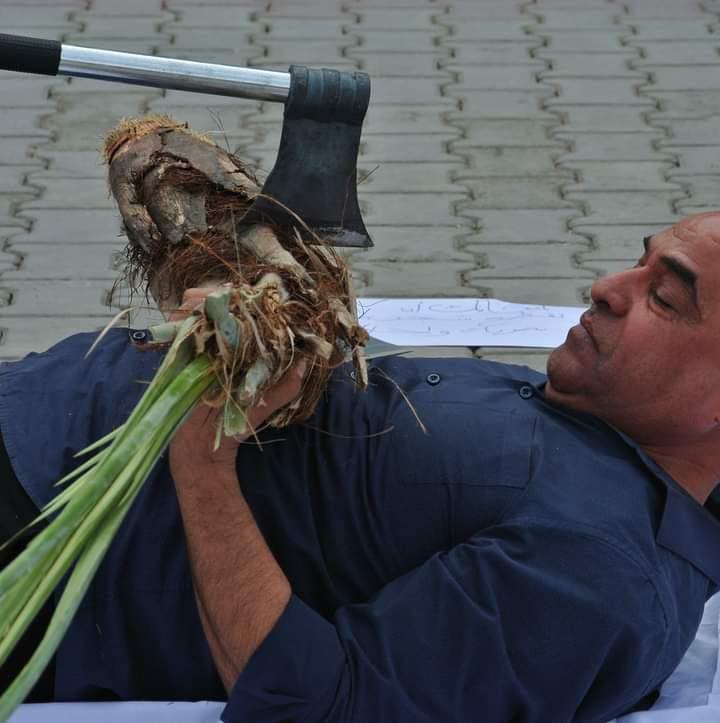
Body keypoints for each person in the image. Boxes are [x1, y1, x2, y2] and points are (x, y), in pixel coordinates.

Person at [2, 211, 720, 722]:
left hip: (46, 528)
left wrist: (203, 457)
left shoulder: (600, 572)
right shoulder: (607, 419)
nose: (607, 285)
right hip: (43, 407)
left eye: (663, 297)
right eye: (639, 261)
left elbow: (322, 703)